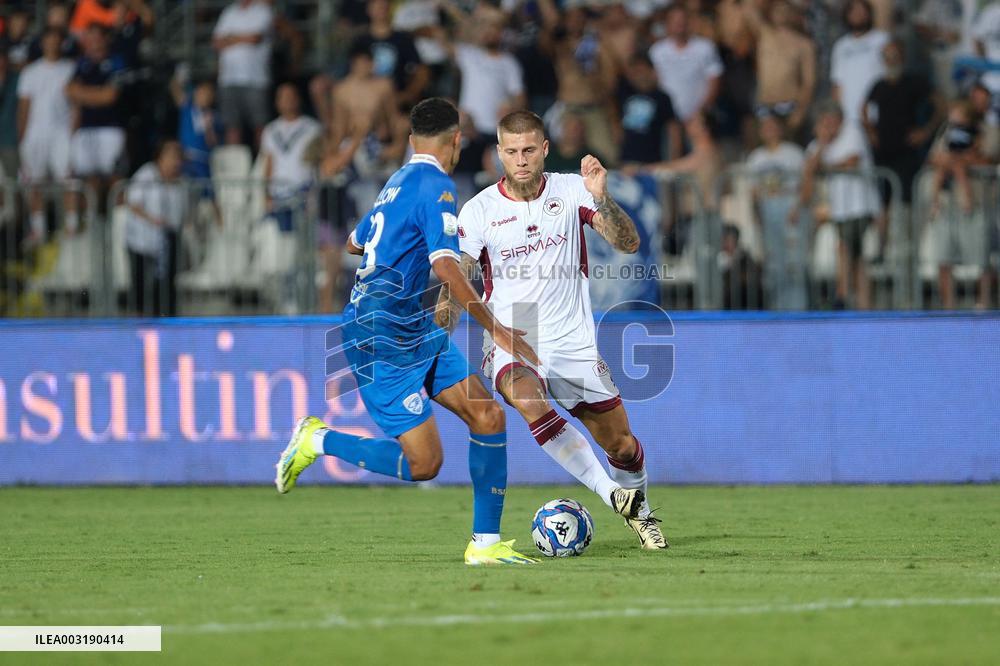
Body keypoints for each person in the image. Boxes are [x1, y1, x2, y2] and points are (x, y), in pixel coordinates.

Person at [276, 98, 539, 566]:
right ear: (456, 141)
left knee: (488, 416)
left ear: (412, 138)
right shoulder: (437, 186)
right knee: (425, 464)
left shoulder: (396, 183)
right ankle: (317, 440)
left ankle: (485, 544)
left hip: (409, 325)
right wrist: (495, 328)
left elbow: (357, 243)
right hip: (378, 335)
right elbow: (446, 267)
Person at [438, 110, 667, 550]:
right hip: (513, 330)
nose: (520, 159)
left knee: (620, 444)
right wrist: (436, 334)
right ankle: (613, 494)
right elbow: (458, 280)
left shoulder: (571, 189)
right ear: (498, 153)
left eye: (529, 150)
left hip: (573, 336)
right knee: (527, 400)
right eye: (511, 151)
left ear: (544, 149)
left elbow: (628, 242)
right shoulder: (479, 210)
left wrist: (601, 197)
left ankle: (640, 513)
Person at [798, 102, 881, 309]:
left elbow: (851, 161)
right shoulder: (819, 144)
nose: (829, 126)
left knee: (846, 249)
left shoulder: (852, 132)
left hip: (859, 206)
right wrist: (822, 144)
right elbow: (809, 171)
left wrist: (826, 167)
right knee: (855, 258)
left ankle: (843, 296)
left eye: (832, 122)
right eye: (825, 123)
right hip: (839, 210)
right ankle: (858, 302)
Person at [17, 28, 76, 245]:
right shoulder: (30, 72)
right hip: (35, 134)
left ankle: (71, 226)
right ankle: (39, 229)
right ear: (42, 43)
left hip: (61, 133)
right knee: (35, 182)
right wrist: (22, 137)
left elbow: (76, 106)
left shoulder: (70, 69)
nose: (52, 44)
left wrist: (73, 131)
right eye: (48, 40)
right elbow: (24, 107)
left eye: (56, 39)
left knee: (68, 181)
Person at [66, 23, 128, 225]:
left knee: (114, 178)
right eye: (88, 38)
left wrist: (84, 94)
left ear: (104, 39)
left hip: (110, 128)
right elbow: (69, 90)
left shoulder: (116, 61)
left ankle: (119, 222)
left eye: (96, 37)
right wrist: (96, 94)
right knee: (88, 178)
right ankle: (91, 222)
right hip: (86, 129)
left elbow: (110, 96)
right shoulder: (82, 63)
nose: (92, 42)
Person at [125, 140, 187, 316]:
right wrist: (154, 220)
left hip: (167, 241)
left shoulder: (180, 182)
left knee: (166, 288)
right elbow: (132, 201)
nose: (176, 161)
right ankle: (140, 325)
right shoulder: (146, 174)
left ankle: (168, 324)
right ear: (160, 157)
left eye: (178, 157)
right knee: (141, 287)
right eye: (171, 156)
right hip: (141, 241)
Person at [743, 0, 816, 135]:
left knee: (790, 150)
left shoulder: (804, 44)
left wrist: (800, 111)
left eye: (787, 10)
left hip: (789, 107)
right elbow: (748, 8)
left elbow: (808, 82)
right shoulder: (765, 34)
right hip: (764, 106)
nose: (782, 13)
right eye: (778, 10)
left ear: (795, 14)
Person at [212, 0, 274, 147]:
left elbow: (255, 38)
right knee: (232, 126)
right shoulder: (229, 12)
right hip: (228, 79)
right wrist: (243, 38)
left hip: (256, 79)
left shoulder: (262, 10)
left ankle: (262, 164)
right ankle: (235, 167)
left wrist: (229, 38)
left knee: (260, 126)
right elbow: (216, 42)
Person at [648, 4, 723, 122]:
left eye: (682, 19)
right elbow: (653, 81)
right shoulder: (657, 51)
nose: (679, 24)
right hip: (669, 119)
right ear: (667, 23)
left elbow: (714, 80)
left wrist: (702, 110)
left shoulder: (705, 47)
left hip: (700, 118)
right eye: (675, 20)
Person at [616, 52, 681, 166]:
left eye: (641, 71)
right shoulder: (624, 94)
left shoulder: (661, 97)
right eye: (634, 72)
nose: (638, 76)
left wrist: (673, 160)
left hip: (652, 161)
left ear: (651, 71)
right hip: (626, 160)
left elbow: (673, 129)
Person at [830, 0, 889, 124]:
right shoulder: (841, 45)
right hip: (848, 117)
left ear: (869, 14)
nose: (858, 15)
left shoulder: (883, 40)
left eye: (862, 11)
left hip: (877, 112)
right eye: (854, 11)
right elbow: (837, 83)